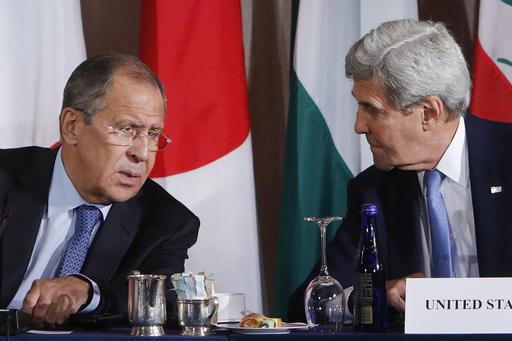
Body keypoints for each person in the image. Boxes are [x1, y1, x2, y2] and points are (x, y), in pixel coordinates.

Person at [289, 19, 512, 321]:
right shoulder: (374, 190)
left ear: (429, 113)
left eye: (372, 109)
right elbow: (305, 305)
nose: (358, 126)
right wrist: (376, 295)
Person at [0, 54, 200, 326]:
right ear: (72, 126)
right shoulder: (6, 178)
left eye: (153, 134)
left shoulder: (167, 222)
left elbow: (162, 299)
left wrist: (88, 291)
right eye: (126, 129)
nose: (142, 154)